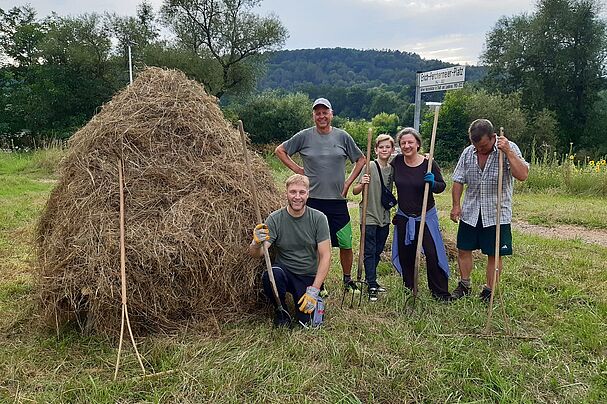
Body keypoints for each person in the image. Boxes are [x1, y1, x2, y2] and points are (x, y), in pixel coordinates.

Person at [275, 98, 366, 293]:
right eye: (318, 113)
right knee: (314, 244)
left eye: (325, 112)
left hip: (337, 201)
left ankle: (347, 280)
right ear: (313, 116)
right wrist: (298, 170)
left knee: (346, 242)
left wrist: (348, 183)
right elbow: (280, 151)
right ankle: (319, 283)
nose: (321, 116)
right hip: (313, 200)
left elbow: (360, 159)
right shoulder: (304, 136)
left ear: (331, 114)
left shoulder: (342, 137)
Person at [450, 119, 529, 302]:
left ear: (493, 137)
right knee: (463, 249)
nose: (479, 150)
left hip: (496, 213)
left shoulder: (509, 149)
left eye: (483, 146)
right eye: (475, 146)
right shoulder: (468, 153)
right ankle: (464, 284)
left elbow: (523, 175)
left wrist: (508, 151)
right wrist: (456, 205)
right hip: (471, 211)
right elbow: (458, 179)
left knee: (494, 253)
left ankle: (489, 290)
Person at [249, 174, 331, 327]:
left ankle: (311, 300)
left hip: (308, 275)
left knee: (308, 324)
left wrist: (314, 290)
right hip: (285, 272)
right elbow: (258, 254)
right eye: (293, 192)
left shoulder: (319, 218)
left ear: (308, 194)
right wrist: (255, 243)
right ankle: (281, 310)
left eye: (302, 192)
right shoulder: (275, 219)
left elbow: (325, 256)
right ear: (286, 193)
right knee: (271, 274)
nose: (297, 197)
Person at [390, 128, 452, 301]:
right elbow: (384, 173)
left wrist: (432, 183)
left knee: (433, 254)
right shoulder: (397, 163)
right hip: (404, 217)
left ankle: (439, 293)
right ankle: (409, 287)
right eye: (403, 143)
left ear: (418, 144)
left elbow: (441, 186)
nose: (407, 146)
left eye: (410, 142)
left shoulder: (429, 164)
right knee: (406, 255)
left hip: (425, 216)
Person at [352, 134, 395, 301]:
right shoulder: (370, 165)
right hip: (368, 216)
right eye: (381, 147)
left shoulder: (392, 169)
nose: (384, 150)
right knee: (369, 251)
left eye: (388, 147)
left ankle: (372, 280)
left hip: (384, 217)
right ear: (376, 149)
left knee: (377, 251)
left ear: (392, 150)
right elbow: (355, 191)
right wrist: (362, 182)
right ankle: (371, 285)